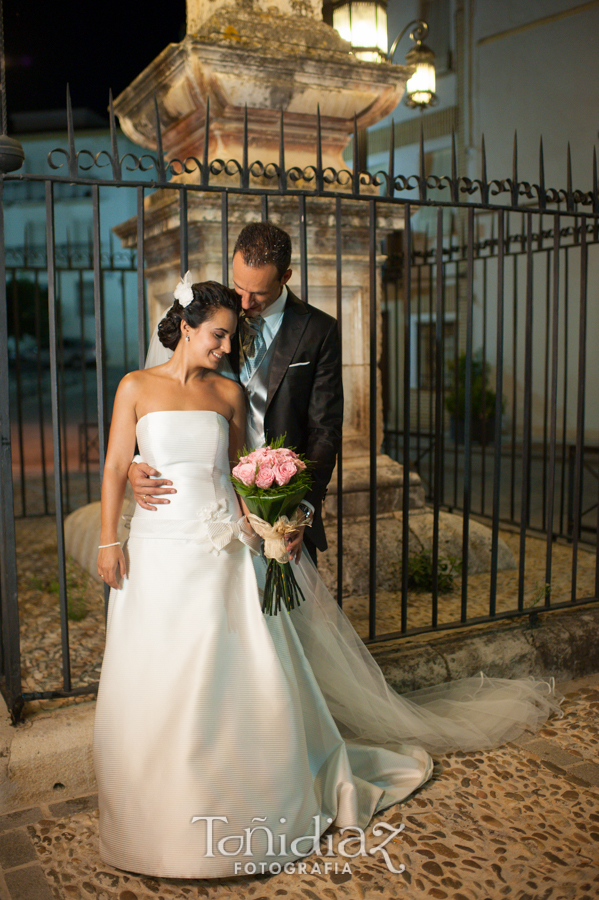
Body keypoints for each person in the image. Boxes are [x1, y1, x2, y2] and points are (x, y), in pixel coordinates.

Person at [93, 276, 562, 880]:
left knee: (227, 674)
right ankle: (152, 812)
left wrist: (271, 525)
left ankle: (242, 805)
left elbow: (240, 475)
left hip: (222, 554)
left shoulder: (230, 394)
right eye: (217, 335)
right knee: (154, 675)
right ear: (184, 327)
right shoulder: (135, 386)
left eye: (231, 339)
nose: (224, 347)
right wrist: (110, 538)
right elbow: (112, 467)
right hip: (157, 551)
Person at [128, 222, 343, 565]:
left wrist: (301, 508)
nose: (244, 301)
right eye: (239, 286)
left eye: (257, 293)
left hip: (282, 503)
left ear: (285, 277)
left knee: (283, 616)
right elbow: (166, 391)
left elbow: (325, 430)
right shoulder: (214, 312)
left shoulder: (319, 330)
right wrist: (137, 462)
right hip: (211, 502)